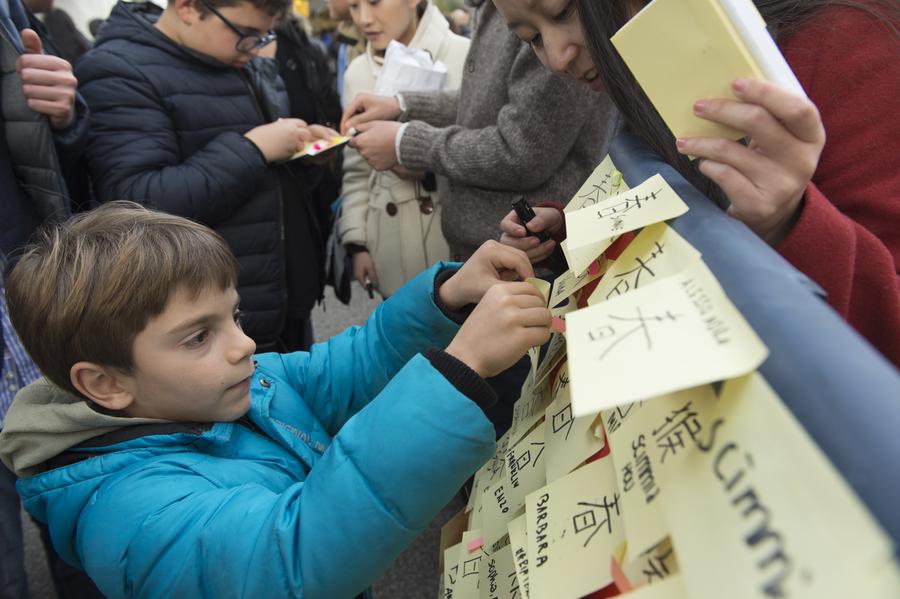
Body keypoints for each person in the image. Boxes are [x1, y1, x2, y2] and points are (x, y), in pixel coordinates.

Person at [0, 201, 550, 597]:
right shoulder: (130, 513)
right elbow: (290, 558)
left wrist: (447, 300)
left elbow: (348, 367)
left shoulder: (215, 389)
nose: (244, 344)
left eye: (232, 316)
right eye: (199, 336)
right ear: (106, 385)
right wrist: (458, 370)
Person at [495, 0, 900, 368]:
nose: (557, 55)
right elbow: (675, 217)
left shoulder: (844, 41)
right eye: (530, 39)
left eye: (564, 11)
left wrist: (791, 221)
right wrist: (570, 234)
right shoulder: (648, 71)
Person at [76, 0, 335, 352]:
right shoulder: (118, 70)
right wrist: (253, 149)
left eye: (265, 35)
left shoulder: (231, 53)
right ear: (188, 7)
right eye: (247, 34)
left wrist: (304, 155)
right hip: (212, 321)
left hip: (281, 299)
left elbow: (266, 181)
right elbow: (137, 204)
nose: (257, 48)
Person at [338, 0, 470, 297]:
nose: (363, 19)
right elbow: (355, 169)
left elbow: (490, 150)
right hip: (388, 245)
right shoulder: (356, 72)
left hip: (453, 241)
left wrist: (422, 165)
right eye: (354, 7)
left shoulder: (466, 54)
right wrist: (358, 242)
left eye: (374, 2)